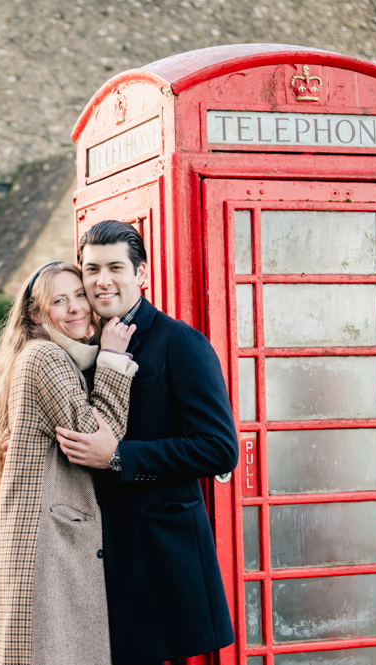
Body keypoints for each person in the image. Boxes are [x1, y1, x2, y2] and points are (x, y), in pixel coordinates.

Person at [55, 221, 240, 665]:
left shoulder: (181, 343)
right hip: (96, 545)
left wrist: (118, 457)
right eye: (92, 268)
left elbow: (219, 448)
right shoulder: (81, 343)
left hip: (159, 548)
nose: (102, 280)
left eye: (116, 267)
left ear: (141, 273)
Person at [0, 260, 139, 665]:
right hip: (50, 551)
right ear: (36, 314)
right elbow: (98, 435)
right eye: (59, 301)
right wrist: (114, 359)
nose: (77, 307)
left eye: (80, 294)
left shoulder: (52, 355)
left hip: (46, 545)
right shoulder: (46, 356)